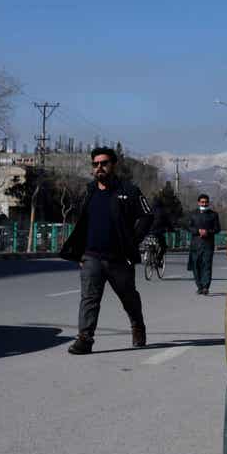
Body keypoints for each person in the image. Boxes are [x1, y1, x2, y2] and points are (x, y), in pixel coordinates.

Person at [59, 147, 153, 354]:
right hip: (91, 256)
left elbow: (147, 216)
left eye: (104, 163)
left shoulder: (128, 190)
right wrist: (80, 253)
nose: (99, 167)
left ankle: (137, 326)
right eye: (95, 164)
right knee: (89, 298)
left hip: (119, 258)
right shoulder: (90, 191)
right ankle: (85, 339)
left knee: (129, 297)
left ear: (113, 165)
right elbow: (83, 223)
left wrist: (132, 241)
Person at [188, 194, 221, 295]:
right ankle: (200, 286)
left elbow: (217, 229)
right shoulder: (193, 214)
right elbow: (188, 227)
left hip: (208, 244)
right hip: (195, 244)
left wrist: (207, 232)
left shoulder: (213, 215)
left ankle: (206, 287)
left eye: (206, 202)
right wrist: (198, 231)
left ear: (208, 202)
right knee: (196, 266)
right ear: (198, 202)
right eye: (202, 202)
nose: (204, 203)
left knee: (206, 265)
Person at [148, 198, 171, 266]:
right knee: (163, 247)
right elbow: (168, 222)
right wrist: (171, 229)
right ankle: (158, 259)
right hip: (158, 232)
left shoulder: (149, 210)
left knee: (150, 243)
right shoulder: (163, 211)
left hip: (148, 231)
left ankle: (149, 255)